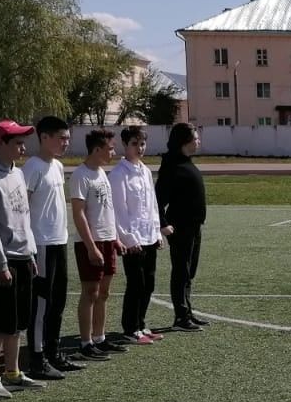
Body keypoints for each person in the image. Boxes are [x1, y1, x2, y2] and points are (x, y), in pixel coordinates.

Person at [0, 119, 43, 399]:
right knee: (2, 322)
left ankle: (12, 373)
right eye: (17, 142)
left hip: (23, 256)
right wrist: (0, 264)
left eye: (23, 142)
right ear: (0, 143)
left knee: (18, 321)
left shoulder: (17, 173)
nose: (23, 147)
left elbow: (24, 217)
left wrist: (31, 253)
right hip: (3, 261)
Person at [23, 115, 80, 379]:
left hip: (59, 241)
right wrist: (30, 245)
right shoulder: (32, 167)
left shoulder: (57, 166)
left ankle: (54, 351)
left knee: (58, 301)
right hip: (42, 243)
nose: (65, 143)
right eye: (61, 138)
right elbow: (23, 208)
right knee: (42, 305)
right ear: (44, 137)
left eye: (67, 138)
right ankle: (36, 358)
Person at [70, 128, 125, 360]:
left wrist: (115, 238)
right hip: (90, 243)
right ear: (97, 149)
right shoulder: (80, 175)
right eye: (110, 148)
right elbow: (79, 214)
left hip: (107, 240)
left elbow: (107, 209)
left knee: (104, 292)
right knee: (90, 292)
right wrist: (91, 246)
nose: (113, 152)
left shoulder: (102, 172)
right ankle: (85, 343)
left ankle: (100, 338)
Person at [110, 124, 165, 345]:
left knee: (149, 283)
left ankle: (141, 324)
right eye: (135, 144)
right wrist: (128, 238)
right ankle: (130, 328)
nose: (140, 148)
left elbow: (152, 204)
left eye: (142, 143)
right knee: (136, 284)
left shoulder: (144, 171)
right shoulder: (118, 174)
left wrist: (158, 232)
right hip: (133, 239)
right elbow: (119, 210)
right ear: (125, 145)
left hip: (149, 236)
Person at [157, 122, 208, 331]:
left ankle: (187, 311)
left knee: (190, 271)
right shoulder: (171, 165)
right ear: (185, 141)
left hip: (194, 226)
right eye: (195, 138)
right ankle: (180, 316)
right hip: (180, 227)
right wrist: (163, 224)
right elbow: (158, 199)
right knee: (181, 271)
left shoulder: (186, 161)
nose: (198, 141)